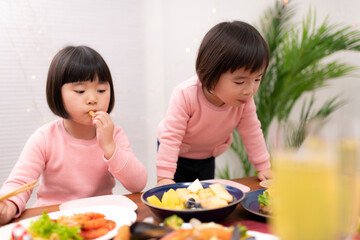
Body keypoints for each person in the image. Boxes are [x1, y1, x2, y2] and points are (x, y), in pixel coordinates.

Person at [0, 45, 147, 225]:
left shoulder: (114, 134)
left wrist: (110, 147)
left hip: (100, 220)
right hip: (55, 222)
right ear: (57, 94)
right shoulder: (45, 137)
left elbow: (138, 184)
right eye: (80, 91)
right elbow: (20, 182)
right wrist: (8, 205)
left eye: (101, 90)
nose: (93, 99)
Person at [156, 21, 273, 186]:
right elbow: (171, 138)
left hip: (207, 156)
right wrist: (164, 177)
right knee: (176, 196)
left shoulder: (244, 101)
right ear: (211, 74)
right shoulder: (186, 94)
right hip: (177, 154)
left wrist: (264, 167)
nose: (250, 90)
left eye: (257, 79)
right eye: (240, 82)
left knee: (204, 195)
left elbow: (252, 131)